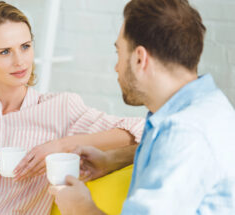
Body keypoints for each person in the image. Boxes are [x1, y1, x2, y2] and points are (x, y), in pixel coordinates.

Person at [0, 1, 144, 214]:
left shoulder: (60, 109)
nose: (20, 61)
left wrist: (63, 144)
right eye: (5, 52)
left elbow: (143, 130)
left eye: (25, 46)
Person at [48, 0, 235, 214]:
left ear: (139, 59)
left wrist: (80, 208)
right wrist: (111, 159)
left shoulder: (185, 134)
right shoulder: (203, 106)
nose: (116, 67)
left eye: (119, 53)